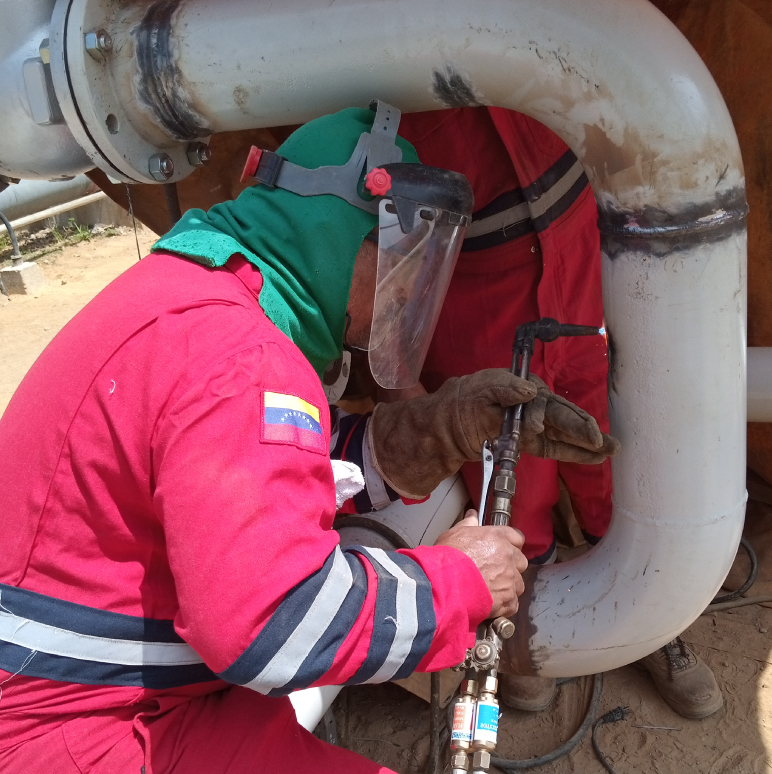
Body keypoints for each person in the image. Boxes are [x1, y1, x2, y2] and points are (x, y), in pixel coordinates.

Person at [0, 104, 618, 773]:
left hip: (94, 683)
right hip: (66, 727)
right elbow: (273, 623)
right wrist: (458, 580)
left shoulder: (200, 294)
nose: (403, 297)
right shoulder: (244, 359)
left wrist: (445, 426)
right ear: (344, 234)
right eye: (399, 267)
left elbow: (274, 472)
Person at [397, 106, 723, 719]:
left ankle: (650, 615)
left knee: (613, 442)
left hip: (576, 240)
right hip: (472, 285)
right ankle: (532, 629)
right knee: (511, 473)